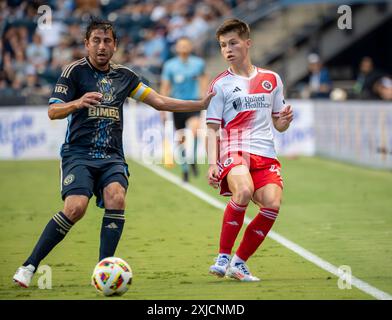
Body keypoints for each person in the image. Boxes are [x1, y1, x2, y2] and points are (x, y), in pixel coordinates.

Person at [12, 17, 213, 288]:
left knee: (116, 197)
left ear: (115, 45)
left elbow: (160, 101)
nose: (101, 46)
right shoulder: (73, 72)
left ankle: (103, 270)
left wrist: (199, 104)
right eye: (96, 40)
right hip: (79, 153)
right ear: (86, 43)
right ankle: (29, 265)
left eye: (107, 41)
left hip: (111, 156)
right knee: (75, 208)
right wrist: (77, 102)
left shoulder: (126, 77)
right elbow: (53, 111)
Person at [206, 19, 293, 282]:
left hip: (265, 154)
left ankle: (239, 264)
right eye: (223, 45)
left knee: (272, 205)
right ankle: (222, 256)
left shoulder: (271, 79)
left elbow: (278, 123)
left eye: (233, 43)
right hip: (235, 149)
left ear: (248, 43)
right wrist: (212, 163)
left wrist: (284, 122)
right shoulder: (220, 84)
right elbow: (211, 128)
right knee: (242, 191)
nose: (228, 50)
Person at [160, 37, 209, 181]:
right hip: (176, 104)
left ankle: (192, 158)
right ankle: (185, 169)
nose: (183, 47)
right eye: (181, 45)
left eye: (186, 45)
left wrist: (205, 95)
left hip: (194, 102)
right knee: (180, 138)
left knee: (194, 132)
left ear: (190, 47)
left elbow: (204, 79)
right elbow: (165, 86)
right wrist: (162, 107)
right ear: (176, 48)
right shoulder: (170, 65)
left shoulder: (198, 63)